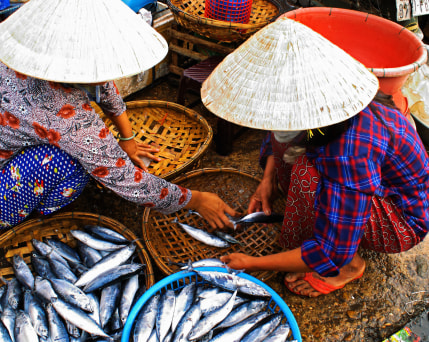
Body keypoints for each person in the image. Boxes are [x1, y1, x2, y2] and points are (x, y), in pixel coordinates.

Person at [201, 17, 429, 297]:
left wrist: (251, 263)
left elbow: (332, 250)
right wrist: (267, 180)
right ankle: (305, 220)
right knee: (295, 153)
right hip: (367, 180)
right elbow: (279, 133)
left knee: (308, 175)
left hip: (400, 220)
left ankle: (351, 267)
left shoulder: (351, 150)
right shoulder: (329, 102)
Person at [0, 0, 236, 229]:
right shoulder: (65, 115)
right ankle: (34, 218)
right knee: (71, 166)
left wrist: (127, 139)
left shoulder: (24, 46)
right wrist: (195, 200)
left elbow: (102, 83)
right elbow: (126, 179)